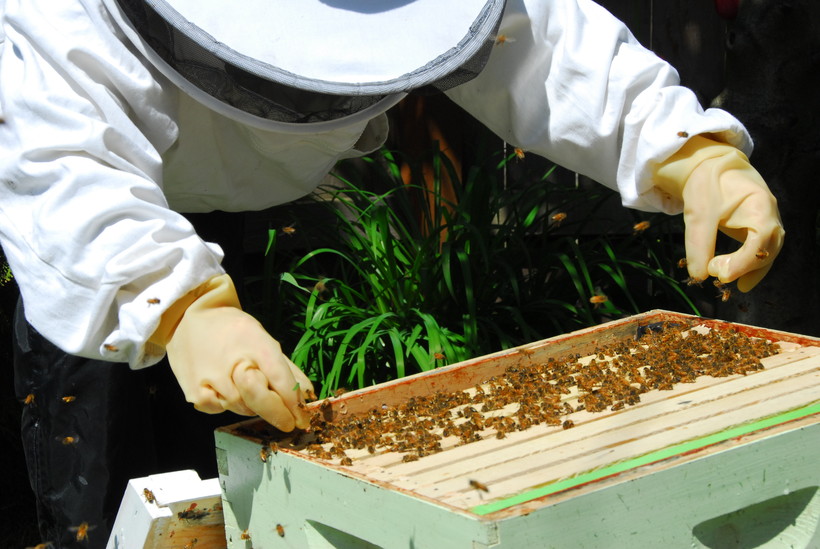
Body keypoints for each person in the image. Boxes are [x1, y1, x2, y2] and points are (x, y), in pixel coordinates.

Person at [0, 0, 784, 546]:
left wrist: (683, 147)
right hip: (82, 238)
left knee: (252, 461)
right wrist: (176, 305)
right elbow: (59, 162)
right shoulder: (58, 21)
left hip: (226, 213)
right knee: (108, 481)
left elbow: (529, 31)